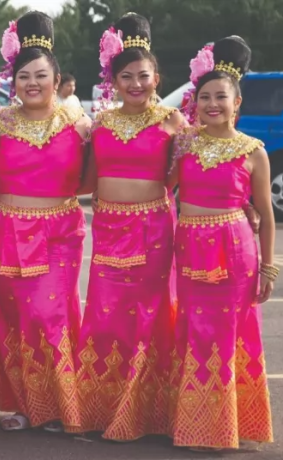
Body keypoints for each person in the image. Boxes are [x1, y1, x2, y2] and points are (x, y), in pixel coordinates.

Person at [74, 13, 185, 442]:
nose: (135, 84)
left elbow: (183, 177)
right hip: (108, 227)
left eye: (143, 75)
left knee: (149, 318)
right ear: (113, 81)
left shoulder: (175, 122)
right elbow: (87, 179)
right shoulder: (100, 123)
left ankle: (147, 413)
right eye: (126, 77)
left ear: (157, 76)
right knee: (105, 319)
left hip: (154, 228)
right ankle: (104, 409)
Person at [0, 11, 92, 433]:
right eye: (24, 76)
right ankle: (25, 404)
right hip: (4, 229)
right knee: (12, 318)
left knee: (49, 317)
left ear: (57, 78)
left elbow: (104, 173)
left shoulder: (80, 125)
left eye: (41, 75)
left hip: (59, 233)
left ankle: (61, 403)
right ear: (13, 84)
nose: (32, 83)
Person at [169, 36, 274, 452]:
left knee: (227, 336)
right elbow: (161, 187)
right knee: (195, 332)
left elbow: (265, 215)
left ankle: (223, 429)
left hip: (234, 251)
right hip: (189, 246)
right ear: (195, 103)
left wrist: (269, 268)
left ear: (237, 103)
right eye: (205, 97)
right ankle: (194, 422)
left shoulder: (254, 152)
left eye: (221, 97)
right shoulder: (184, 143)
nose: (213, 104)